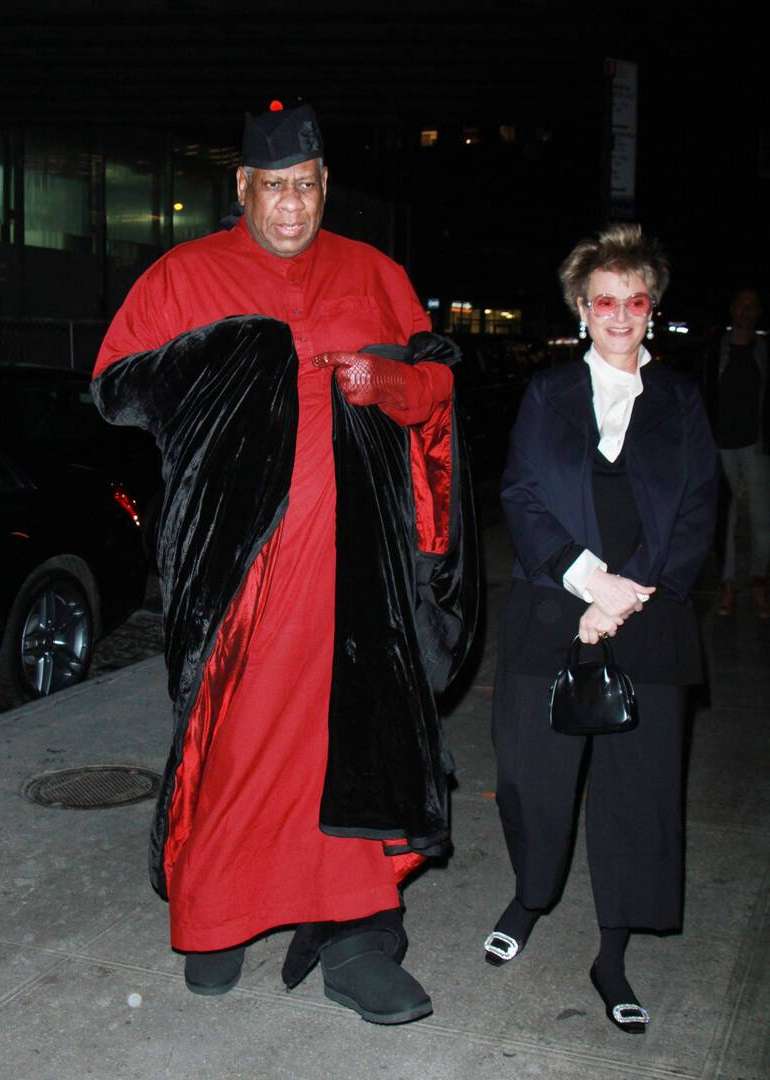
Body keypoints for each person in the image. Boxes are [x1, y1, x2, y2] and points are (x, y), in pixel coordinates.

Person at [91, 102, 477, 1025]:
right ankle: (219, 915)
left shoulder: (375, 272)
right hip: (240, 578)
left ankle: (356, 938)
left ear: (324, 184)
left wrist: (387, 381)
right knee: (235, 746)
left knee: (350, 745)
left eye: (305, 186)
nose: (292, 205)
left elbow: (438, 386)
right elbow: (112, 387)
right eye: (274, 187)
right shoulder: (185, 273)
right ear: (243, 187)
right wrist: (234, 358)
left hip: (355, 575)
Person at [486, 224, 718, 1034]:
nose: (619, 315)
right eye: (604, 301)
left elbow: (697, 510)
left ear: (651, 310)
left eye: (634, 301)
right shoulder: (546, 393)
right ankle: (529, 898)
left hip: (646, 619)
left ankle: (611, 950)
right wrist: (586, 581)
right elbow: (519, 495)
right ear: (581, 309)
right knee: (530, 776)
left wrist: (626, 596)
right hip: (553, 608)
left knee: (635, 794)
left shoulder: (680, 400)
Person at [705, 287, 770, 617]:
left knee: (762, 517)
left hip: (756, 445)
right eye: (740, 306)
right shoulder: (716, 349)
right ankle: (728, 583)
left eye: (752, 306)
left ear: (758, 313)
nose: (745, 312)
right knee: (725, 518)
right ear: (732, 310)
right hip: (720, 445)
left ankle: (759, 581)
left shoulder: (764, 350)